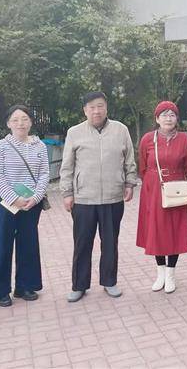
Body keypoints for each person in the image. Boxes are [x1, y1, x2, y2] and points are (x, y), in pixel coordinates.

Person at [60, 92, 137, 302]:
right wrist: (67, 192)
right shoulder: (74, 132)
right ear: (85, 110)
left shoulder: (120, 130)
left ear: (106, 107)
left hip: (113, 198)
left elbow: (129, 159)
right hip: (83, 198)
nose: (96, 111)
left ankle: (109, 281)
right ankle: (79, 285)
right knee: (82, 243)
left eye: (100, 106)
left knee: (110, 243)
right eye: (92, 107)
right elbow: (67, 166)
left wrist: (130, 183)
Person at [0, 105, 50, 307]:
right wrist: (13, 198)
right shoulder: (0, 146)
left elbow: (44, 174)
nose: (20, 123)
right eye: (15, 120)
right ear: (8, 123)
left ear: (31, 122)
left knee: (28, 244)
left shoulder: (40, 146)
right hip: (5, 203)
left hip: (31, 203)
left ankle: (25, 286)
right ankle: (0, 290)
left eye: (24, 119)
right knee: (1, 246)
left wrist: (36, 197)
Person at [136, 101, 187, 294]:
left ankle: (170, 274)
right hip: (153, 188)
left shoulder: (184, 139)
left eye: (172, 115)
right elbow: (143, 167)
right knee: (156, 229)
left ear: (177, 118)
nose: (168, 118)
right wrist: (153, 181)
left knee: (175, 229)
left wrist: (175, 179)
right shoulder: (147, 139)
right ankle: (160, 273)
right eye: (164, 115)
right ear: (157, 118)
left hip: (175, 188)